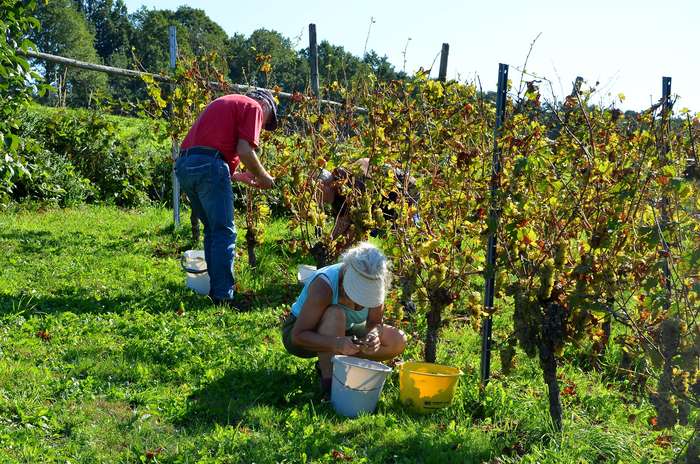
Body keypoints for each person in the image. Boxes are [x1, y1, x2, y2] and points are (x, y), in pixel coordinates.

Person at [175, 89, 278, 308]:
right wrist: (264, 176)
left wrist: (239, 175)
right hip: (210, 166)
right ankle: (223, 296)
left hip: (185, 166)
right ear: (266, 104)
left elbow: (207, 150)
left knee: (213, 230)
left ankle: (215, 289)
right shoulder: (254, 106)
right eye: (268, 120)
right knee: (224, 231)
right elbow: (245, 150)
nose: (263, 125)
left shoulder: (225, 102)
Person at [282, 242, 406, 396]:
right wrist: (337, 343)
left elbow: (374, 323)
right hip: (302, 334)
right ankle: (330, 387)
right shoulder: (324, 287)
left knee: (396, 340)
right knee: (335, 314)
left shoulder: (375, 281)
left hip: (343, 331)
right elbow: (297, 336)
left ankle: (334, 363)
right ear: (347, 272)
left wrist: (373, 335)